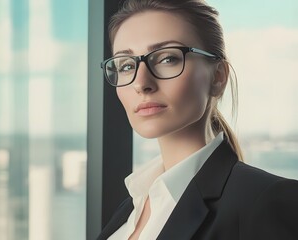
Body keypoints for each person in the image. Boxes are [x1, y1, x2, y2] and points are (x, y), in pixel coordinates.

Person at [97, 0, 298, 239]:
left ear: (218, 77)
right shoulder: (135, 202)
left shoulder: (265, 200)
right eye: (127, 65)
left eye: (167, 59)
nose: (141, 83)